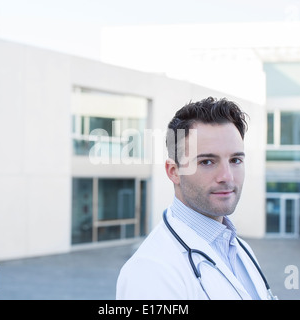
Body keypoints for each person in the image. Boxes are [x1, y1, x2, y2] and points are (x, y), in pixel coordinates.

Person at [116, 97, 277, 300]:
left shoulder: (240, 249)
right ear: (174, 171)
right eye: (207, 162)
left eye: (236, 160)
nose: (227, 177)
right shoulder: (150, 271)